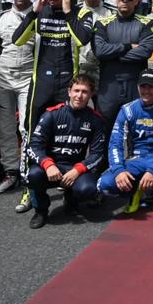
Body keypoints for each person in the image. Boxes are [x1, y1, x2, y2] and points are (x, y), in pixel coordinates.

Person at [11, 0, 90, 213]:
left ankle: (69, 187)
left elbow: (82, 40)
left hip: (67, 84)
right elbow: (17, 40)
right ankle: (30, 189)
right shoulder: (40, 13)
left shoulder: (78, 14)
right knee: (32, 134)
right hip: (41, 85)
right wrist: (34, 13)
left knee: (71, 135)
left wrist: (68, 13)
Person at [98, 69, 153, 216]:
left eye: (151, 86)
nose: (146, 90)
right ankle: (135, 190)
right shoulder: (127, 110)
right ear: (138, 87)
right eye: (143, 86)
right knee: (104, 185)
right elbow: (115, 143)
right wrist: (118, 170)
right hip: (135, 159)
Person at [25, 74, 105, 229]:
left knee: (88, 188)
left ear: (91, 95)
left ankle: (72, 198)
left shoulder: (95, 119)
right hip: (51, 166)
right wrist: (48, 164)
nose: (79, 96)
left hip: (74, 168)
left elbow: (97, 154)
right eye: (76, 91)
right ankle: (40, 210)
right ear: (69, 91)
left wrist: (78, 170)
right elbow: (34, 146)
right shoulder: (52, 114)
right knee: (33, 175)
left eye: (84, 92)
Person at [0, 0, 38, 195]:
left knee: (26, 127)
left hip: (28, 80)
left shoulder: (41, 18)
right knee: (5, 129)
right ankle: (11, 172)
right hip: (2, 80)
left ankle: (27, 172)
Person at [91, 0, 153, 137]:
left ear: (136, 1)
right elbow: (100, 51)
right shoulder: (102, 23)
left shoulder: (147, 23)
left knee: (140, 136)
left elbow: (145, 52)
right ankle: (104, 162)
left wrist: (113, 54)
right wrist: (128, 47)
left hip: (136, 85)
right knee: (104, 134)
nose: (125, 1)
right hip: (109, 86)